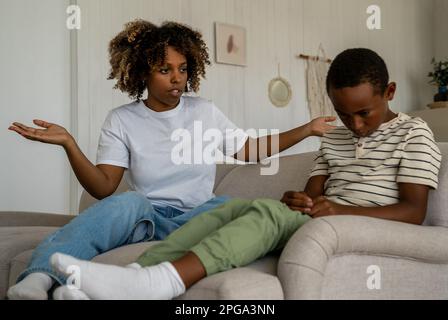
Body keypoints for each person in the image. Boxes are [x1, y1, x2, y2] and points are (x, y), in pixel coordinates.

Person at [46, 47, 442, 300]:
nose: (353, 124)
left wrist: (334, 209)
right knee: (228, 209)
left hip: (355, 222)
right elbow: (310, 192)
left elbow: (413, 211)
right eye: (343, 114)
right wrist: (303, 200)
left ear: (389, 93)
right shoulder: (335, 140)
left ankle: (160, 282)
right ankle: (132, 277)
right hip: (321, 218)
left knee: (259, 212)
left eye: (364, 113)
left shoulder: (413, 132)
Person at [6, 20, 335, 300]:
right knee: (127, 202)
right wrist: (69, 144)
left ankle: (93, 289)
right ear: (141, 74)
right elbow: (103, 187)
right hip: (146, 217)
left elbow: (250, 150)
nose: (177, 78)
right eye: (164, 70)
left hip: (197, 215)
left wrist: (305, 129)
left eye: (182, 69)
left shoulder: (204, 111)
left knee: (230, 205)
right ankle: (39, 278)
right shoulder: (122, 120)